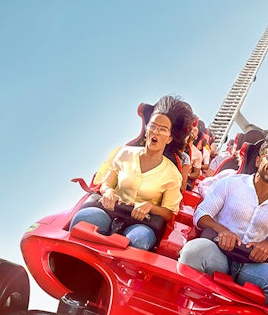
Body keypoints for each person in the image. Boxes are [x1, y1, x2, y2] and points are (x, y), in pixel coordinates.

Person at [179, 137, 268, 310]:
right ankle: (186, 309)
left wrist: (267, 246)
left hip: (251, 266)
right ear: (258, 160)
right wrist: (221, 230)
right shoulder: (230, 184)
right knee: (193, 250)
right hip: (218, 254)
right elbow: (201, 215)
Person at [70, 96, 192, 250]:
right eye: (153, 127)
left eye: (163, 130)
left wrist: (149, 206)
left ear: (169, 138)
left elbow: (169, 212)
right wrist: (108, 192)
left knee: (139, 241)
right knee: (85, 219)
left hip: (142, 222)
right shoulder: (124, 153)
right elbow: (106, 184)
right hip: (110, 210)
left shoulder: (172, 173)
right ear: (147, 130)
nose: (156, 132)